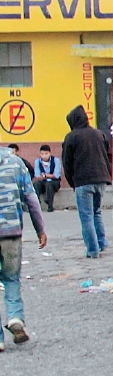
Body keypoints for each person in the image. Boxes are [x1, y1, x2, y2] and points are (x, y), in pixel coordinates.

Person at [0, 145, 47, 349]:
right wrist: (40, 229)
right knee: (11, 278)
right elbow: (31, 200)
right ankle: (15, 318)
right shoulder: (17, 163)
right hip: (11, 232)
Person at [62, 105, 111, 259]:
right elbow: (108, 155)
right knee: (97, 212)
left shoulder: (71, 137)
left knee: (86, 216)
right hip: (101, 180)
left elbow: (67, 163)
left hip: (83, 182)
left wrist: (72, 183)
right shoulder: (99, 134)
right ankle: (102, 242)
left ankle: (92, 250)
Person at [33, 145, 62, 212]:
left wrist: (45, 175)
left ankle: (49, 205)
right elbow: (37, 175)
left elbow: (56, 175)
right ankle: (37, 204)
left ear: (50, 153)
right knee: (36, 184)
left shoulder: (56, 160)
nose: (44, 156)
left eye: (46, 154)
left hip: (54, 183)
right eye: (42, 154)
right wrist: (47, 176)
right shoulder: (37, 161)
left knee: (49, 184)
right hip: (43, 182)